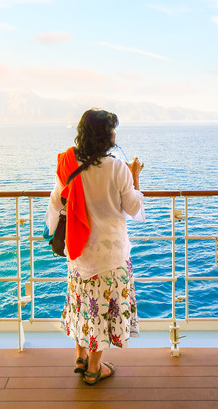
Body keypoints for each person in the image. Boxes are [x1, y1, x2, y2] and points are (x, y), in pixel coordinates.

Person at [45, 108, 144, 385]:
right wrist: (135, 176)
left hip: (79, 252)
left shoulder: (68, 163)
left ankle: (80, 356)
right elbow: (133, 207)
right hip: (110, 256)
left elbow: (56, 202)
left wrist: (52, 230)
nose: (115, 134)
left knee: (81, 305)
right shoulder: (117, 168)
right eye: (113, 129)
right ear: (105, 135)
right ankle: (93, 369)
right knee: (102, 311)